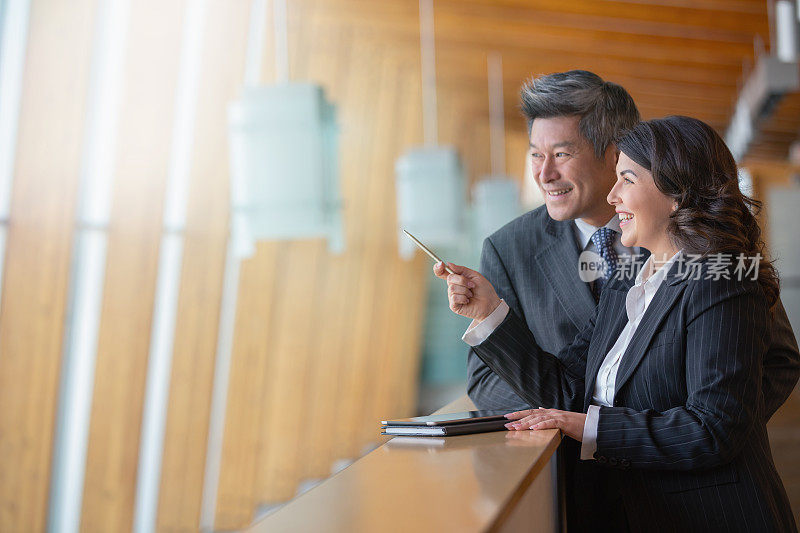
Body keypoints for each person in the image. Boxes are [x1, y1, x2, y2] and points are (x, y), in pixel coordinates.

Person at [434, 70, 800, 530]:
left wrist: (694, 437)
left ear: (671, 189)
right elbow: (570, 391)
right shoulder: (627, 282)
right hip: (608, 504)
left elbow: (725, 414)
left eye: (562, 153)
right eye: (535, 155)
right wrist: (489, 314)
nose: (545, 173)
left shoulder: (720, 275)